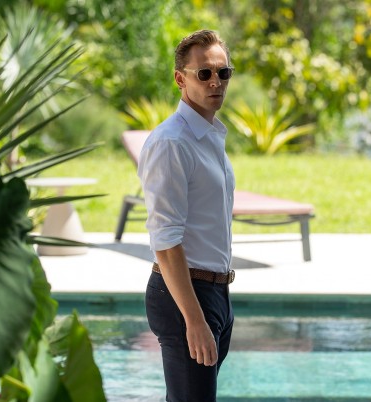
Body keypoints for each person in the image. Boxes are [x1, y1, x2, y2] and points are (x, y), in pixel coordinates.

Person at [137, 29, 236, 402]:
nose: (215, 82)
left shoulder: (209, 137)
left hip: (215, 293)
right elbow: (165, 241)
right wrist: (194, 319)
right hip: (185, 296)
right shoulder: (172, 143)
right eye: (204, 73)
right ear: (180, 79)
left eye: (223, 73)